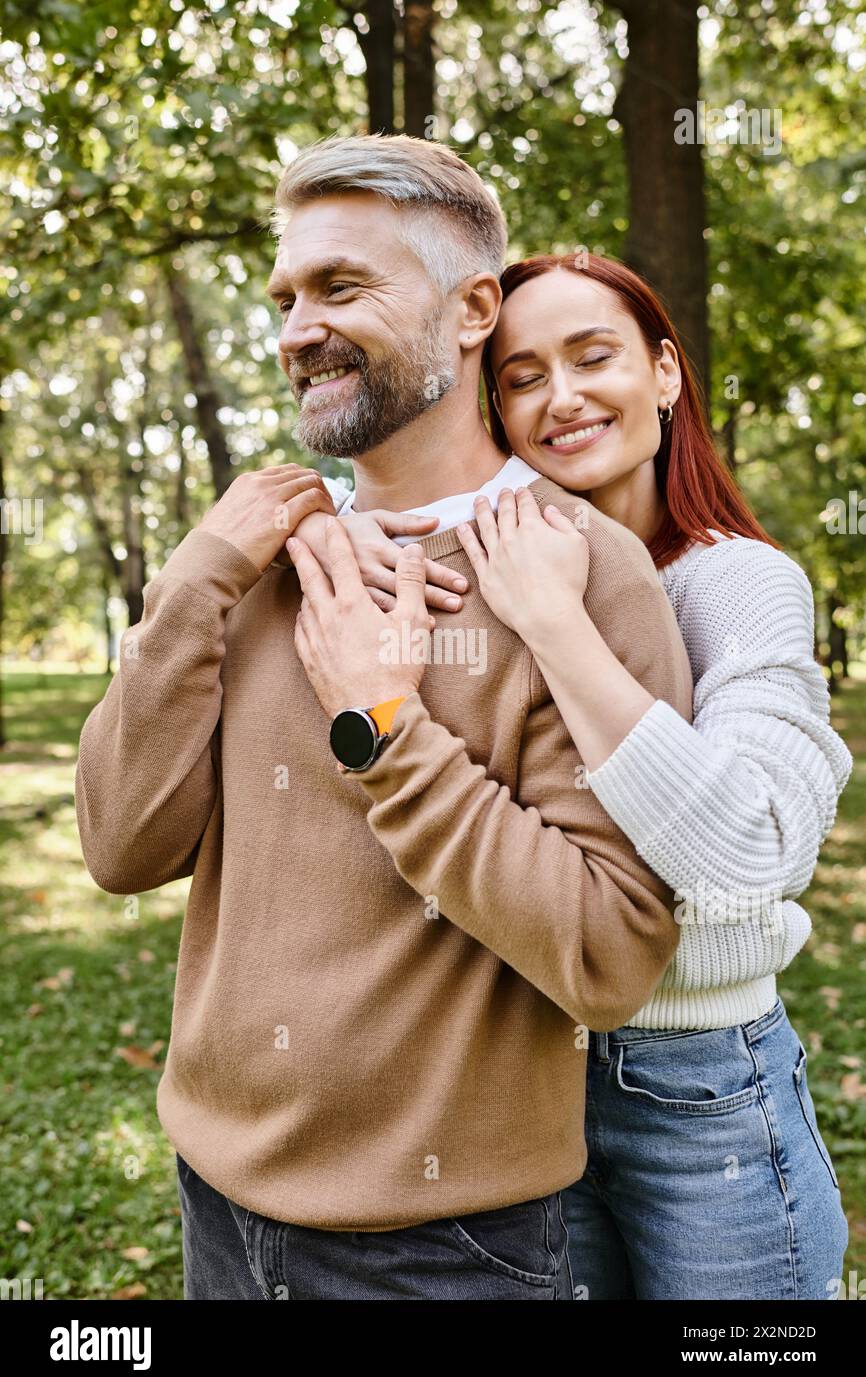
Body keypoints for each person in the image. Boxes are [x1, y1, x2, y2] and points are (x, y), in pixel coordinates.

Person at [75, 135, 693, 1301]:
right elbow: (120, 847)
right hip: (215, 1196)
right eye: (285, 297)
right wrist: (197, 579)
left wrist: (387, 727)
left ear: (470, 311)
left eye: (340, 287)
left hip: (446, 1247)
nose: (294, 328)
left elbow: (611, 953)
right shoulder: (258, 556)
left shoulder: (584, 576)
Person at [317, 249, 852, 1300]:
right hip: (519, 1076)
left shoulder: (736, 584)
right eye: (519, 376)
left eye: (591, 356)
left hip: (698, 1090)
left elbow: (751, 857)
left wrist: (558, 624)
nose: (559, 397)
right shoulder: (461, 569)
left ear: (661, 373)